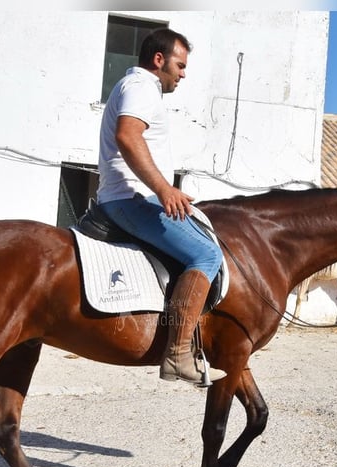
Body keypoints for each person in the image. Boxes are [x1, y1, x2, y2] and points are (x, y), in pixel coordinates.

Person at [96, 27, 226, 386]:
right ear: (159, 60)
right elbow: (127, 135)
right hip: (132, 199)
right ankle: (178, 355)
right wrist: (165, 189)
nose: (183, 74)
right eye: (180, 66)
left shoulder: (135, 87)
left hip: (128, 197)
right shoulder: (141, 87)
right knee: (207, 256)